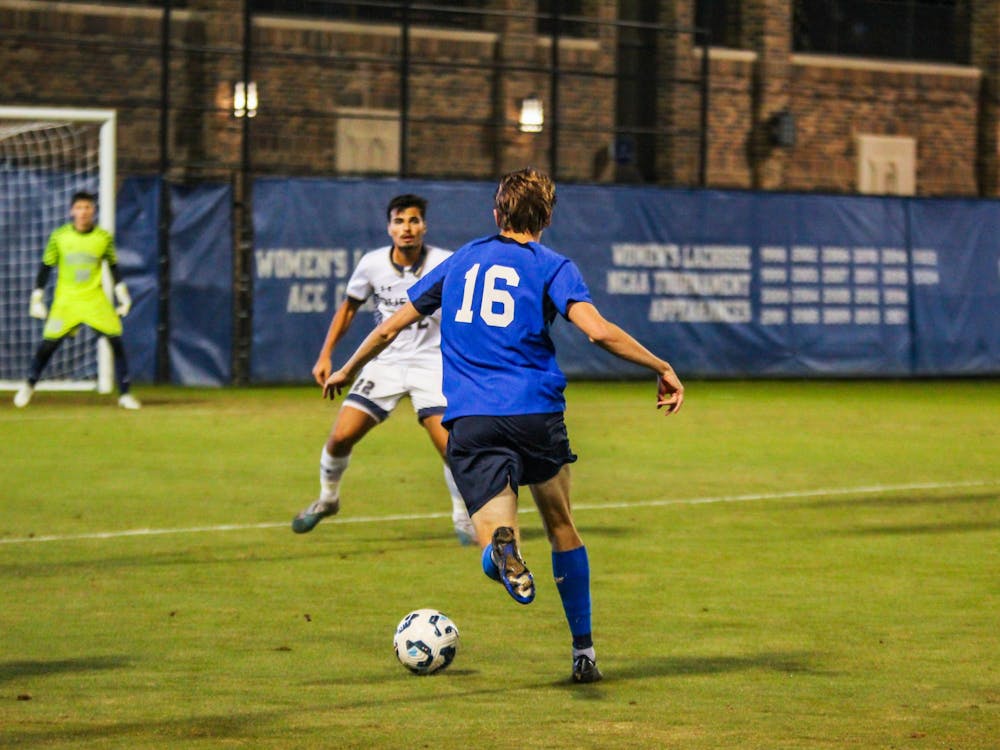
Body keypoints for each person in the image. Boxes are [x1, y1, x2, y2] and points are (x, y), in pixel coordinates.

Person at [321, 168, 685, 683]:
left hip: (473, 420)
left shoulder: (462, 259)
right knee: (562, 526)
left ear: (497, 214)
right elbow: (599, 333)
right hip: (536, 414)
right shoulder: (554, 266)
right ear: (548, 217)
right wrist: (661, 366)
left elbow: (390, 326)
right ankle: (584, 652)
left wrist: (347, 367)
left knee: (493, 532)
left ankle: (501, 554)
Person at [291, 193, 476, 545]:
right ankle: (328, 499)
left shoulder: (446, 262)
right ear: (389, 227)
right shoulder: (372, 264)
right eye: (399, 221)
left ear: (424, 225)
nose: (407, 228)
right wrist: (325, 354)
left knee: (452, 448)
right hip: (386, 363)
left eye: (414, 220)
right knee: (341, 436)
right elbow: (348, 309)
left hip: (433, 364)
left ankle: (463, 516)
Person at [13, 191, 139, 410]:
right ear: (72, 211)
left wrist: (123, 297)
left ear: (93, 211)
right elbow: (46, 267)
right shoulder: (59, 237)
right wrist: (37, 298)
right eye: (79, 208)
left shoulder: (103, 238)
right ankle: (29, 385)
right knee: (47, 347)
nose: (83, 212)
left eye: (87, 207)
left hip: (94, 299)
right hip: (67, 302)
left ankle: (125, 394)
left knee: (116, 342)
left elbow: (113, 267)